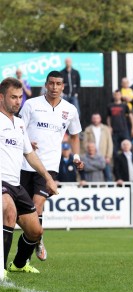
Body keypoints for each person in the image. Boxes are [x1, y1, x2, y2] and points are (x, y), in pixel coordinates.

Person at [19, 70, 84, 262]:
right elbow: (18, 128)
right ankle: (35, 235)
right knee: (21, 211)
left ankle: (31, 247)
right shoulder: (31, 104)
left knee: (37, 205)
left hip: (48, 167)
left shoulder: (70, 109)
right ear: (46, 85)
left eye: (58, 84)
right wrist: (27, 142)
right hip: (23, 163)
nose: (55, 87)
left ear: (63, 87)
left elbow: (74, 135)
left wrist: (76, 156)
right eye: (51, 83)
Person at [1, 77, 59, 275]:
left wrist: (48, 177)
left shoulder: (19, 124)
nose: (18, 101)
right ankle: (1, 269)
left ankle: (18, 264)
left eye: (20, 97)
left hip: (15, 184)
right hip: (2, 183)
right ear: (1, 98)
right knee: (8, 212)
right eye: (13, 97)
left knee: (35, 231)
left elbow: (30, 154)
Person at [83, 113, 113, 182]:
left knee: (108, 176)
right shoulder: (88, 129)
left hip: (104, 156)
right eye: (94, 118)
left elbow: (109, 143)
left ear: (100, 119)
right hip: (92, 158)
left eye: (97, 118)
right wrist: (89, 154)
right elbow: (85, 143)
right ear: (92, 119)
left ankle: (110, 191)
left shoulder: (105, 129)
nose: (96, 120)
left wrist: (108, 156)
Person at [107, 90, 133, 154]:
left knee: (129, 147)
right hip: (114, 131)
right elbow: (108, 117)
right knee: (115, 149)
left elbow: (131, 116)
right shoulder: (110, 106)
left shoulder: (124, 105)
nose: (117, 96)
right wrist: (109, 126)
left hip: (124, 129)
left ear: (121, 96)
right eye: (115, 95)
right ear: (113, 96)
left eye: (118, 95)